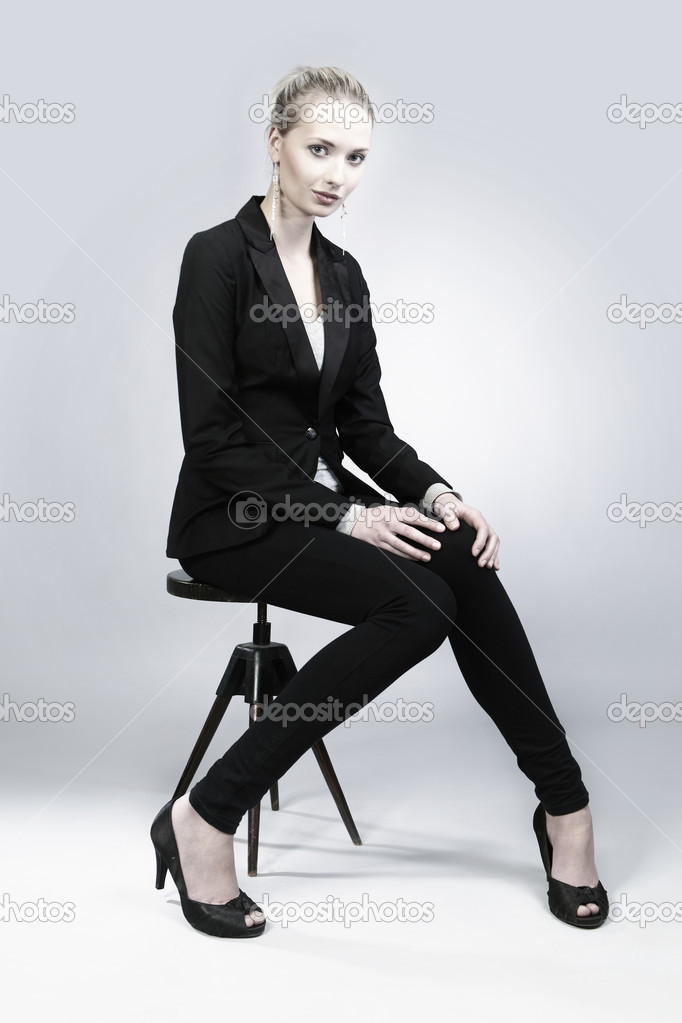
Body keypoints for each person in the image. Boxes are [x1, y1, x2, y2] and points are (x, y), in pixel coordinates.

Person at [151, 65, 609, 938]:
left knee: (456, 557)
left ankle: (566, 807)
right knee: (418, 605)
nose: (336, 173)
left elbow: (367, 431)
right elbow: (211, 439)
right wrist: (344, 515)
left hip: (319, 504)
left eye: (355, 156)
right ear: (275, 142)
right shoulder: (215, 257)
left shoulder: (346, 274)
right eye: (319, 148)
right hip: (233, 515)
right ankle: (206, 813)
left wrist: (439, 493)